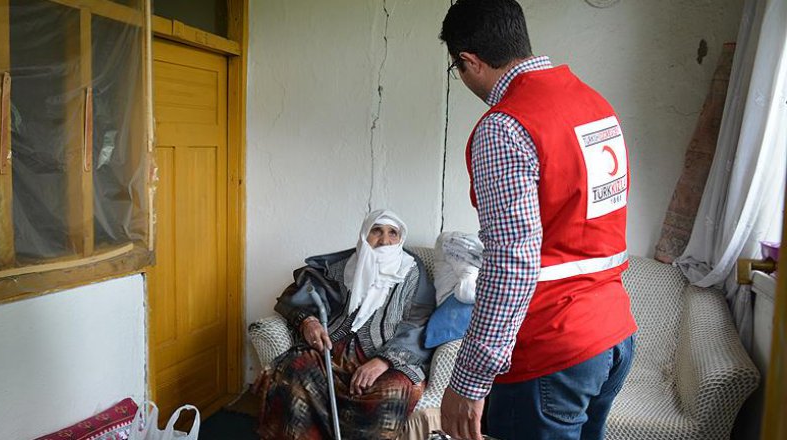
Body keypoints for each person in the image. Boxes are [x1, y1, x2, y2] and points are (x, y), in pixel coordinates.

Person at [437, 1, 638, 439]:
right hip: (613, 335)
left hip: (552, 349)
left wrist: (470, 380)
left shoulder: (505, 127)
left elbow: (513, 262)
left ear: (470, 61)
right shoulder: (593, 103)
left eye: (457, 68)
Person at [256, 209, 436, 440]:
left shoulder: (411, 271)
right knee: (294, 368)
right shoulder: (343, 265)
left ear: (401, 238)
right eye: (376, 231)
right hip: (331, 349)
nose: (384, 240)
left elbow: (420, 323)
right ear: (364, 234)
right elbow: (302, 291)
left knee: (393, 391)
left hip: (384, 356)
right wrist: (308, 322)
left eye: (393, 233)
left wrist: (383, 361)